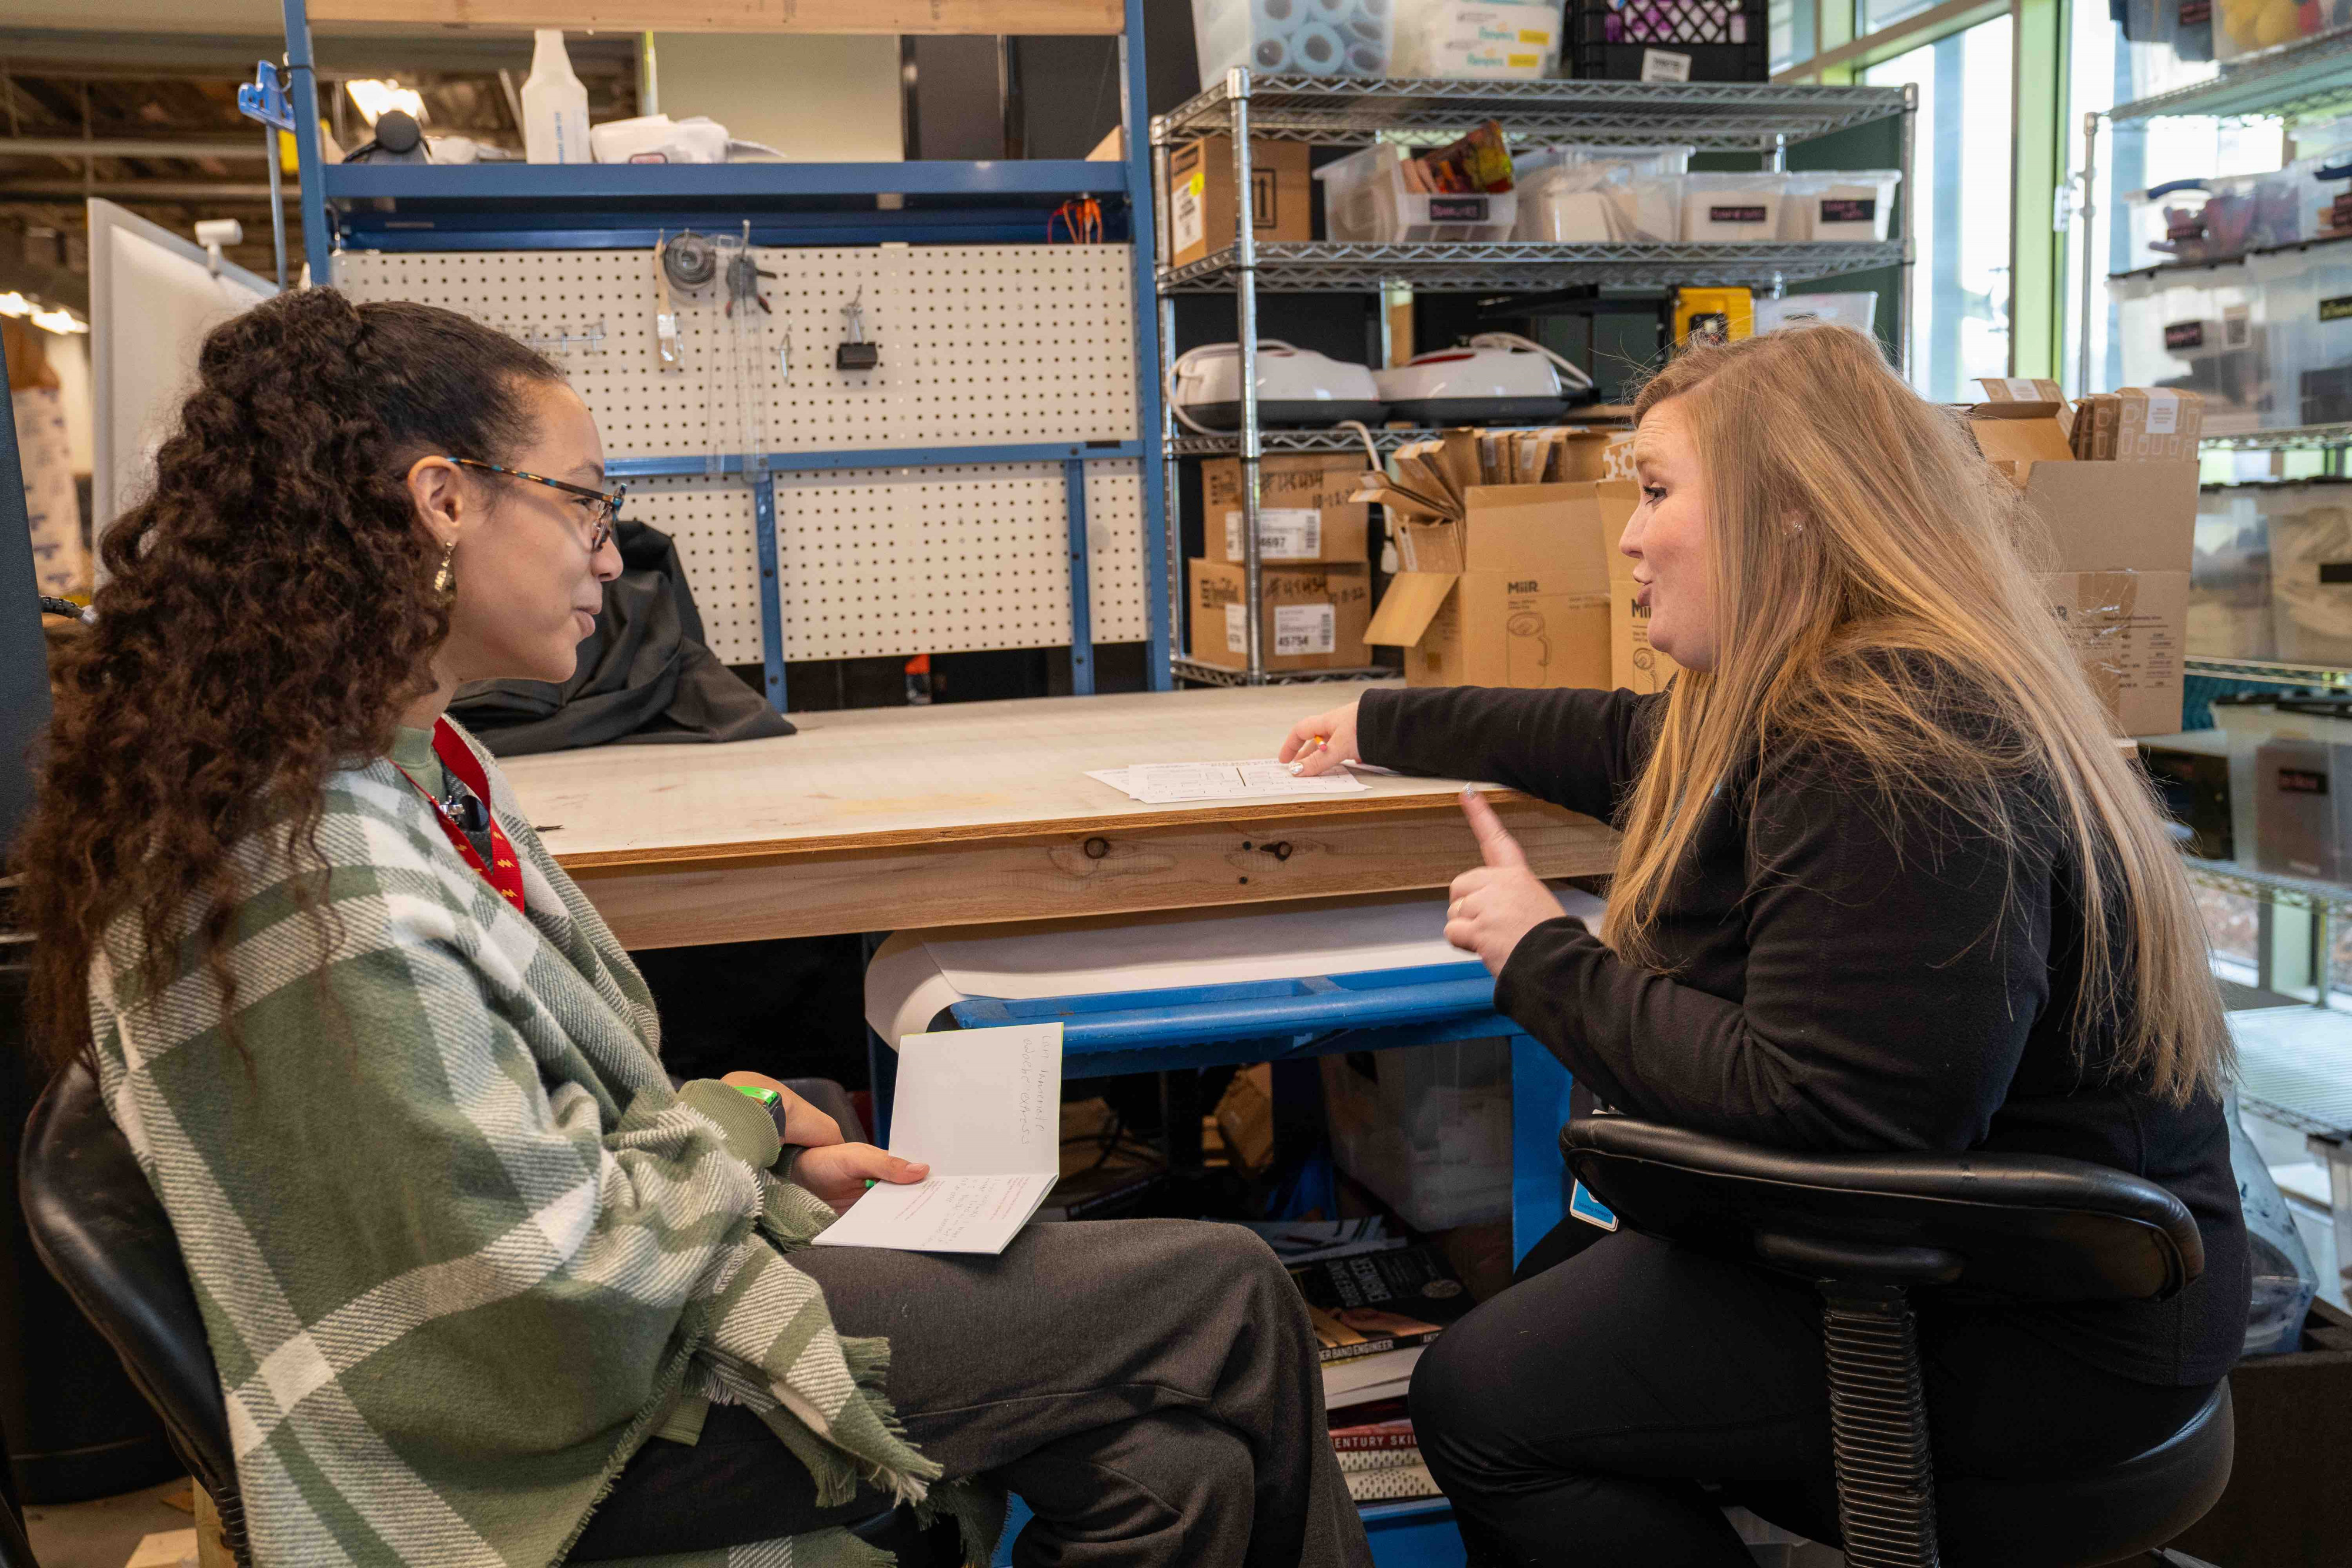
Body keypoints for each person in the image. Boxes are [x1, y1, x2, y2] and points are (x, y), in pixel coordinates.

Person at [16, 289, 1371, 1568]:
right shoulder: (315, 878)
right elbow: (555, 1275)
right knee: (1227, 1288)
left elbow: (513, 1144)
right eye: (583, 504)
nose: (610, 553)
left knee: (1173, 1472)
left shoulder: (401, 770)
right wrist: (737, 1129)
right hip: (512, 1420)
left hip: (563, 1339)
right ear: (440, 502)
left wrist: (740, 1133)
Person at [1280, 324, 2248, 1565]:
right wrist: (1380, 716)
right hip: (1980, 1254)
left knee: (1486, 1400)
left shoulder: (1894, 745)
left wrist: (1540, 955)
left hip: (2035, 1317)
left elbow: (1830, 1104)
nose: (1626, 535)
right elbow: (1622, 741)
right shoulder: (1820, 682)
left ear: (1791, 517)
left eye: (1655, 490)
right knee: (1547, 1296)